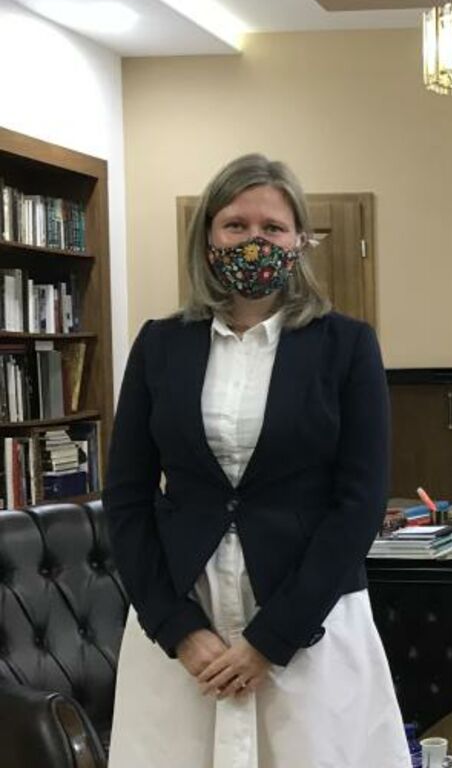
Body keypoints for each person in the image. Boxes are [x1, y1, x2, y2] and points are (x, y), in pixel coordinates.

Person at [104, 154, 411, 767]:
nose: (254, 241)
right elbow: (127, 497)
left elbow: (359, 503)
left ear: (300, 241)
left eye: (272, 228)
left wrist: (271, 640)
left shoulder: (347, 345)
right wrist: (176, 628)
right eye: (235, 225)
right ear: (207, 238)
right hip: (185, 620)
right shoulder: (159, 345)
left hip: (309, 618)